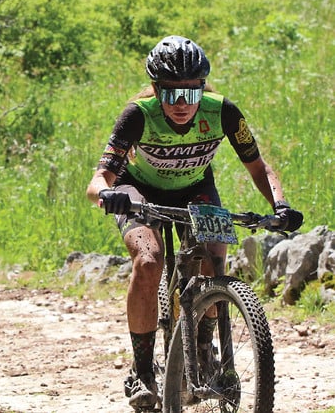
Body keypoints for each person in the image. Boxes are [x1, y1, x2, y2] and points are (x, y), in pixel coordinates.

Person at [84, 35, 303, 409]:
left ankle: (203, 347)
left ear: (203, 87)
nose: (182, 104)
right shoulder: (137, 115)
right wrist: (107, 194)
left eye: (191, 92)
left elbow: (259, 168)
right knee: (149, 260)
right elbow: (98, 180)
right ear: (156, 89)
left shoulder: (223, 112)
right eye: (171, 94)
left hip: (195, 188)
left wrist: (280, 205)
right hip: (138, 190)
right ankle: (142, 370)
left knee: (215, 258)